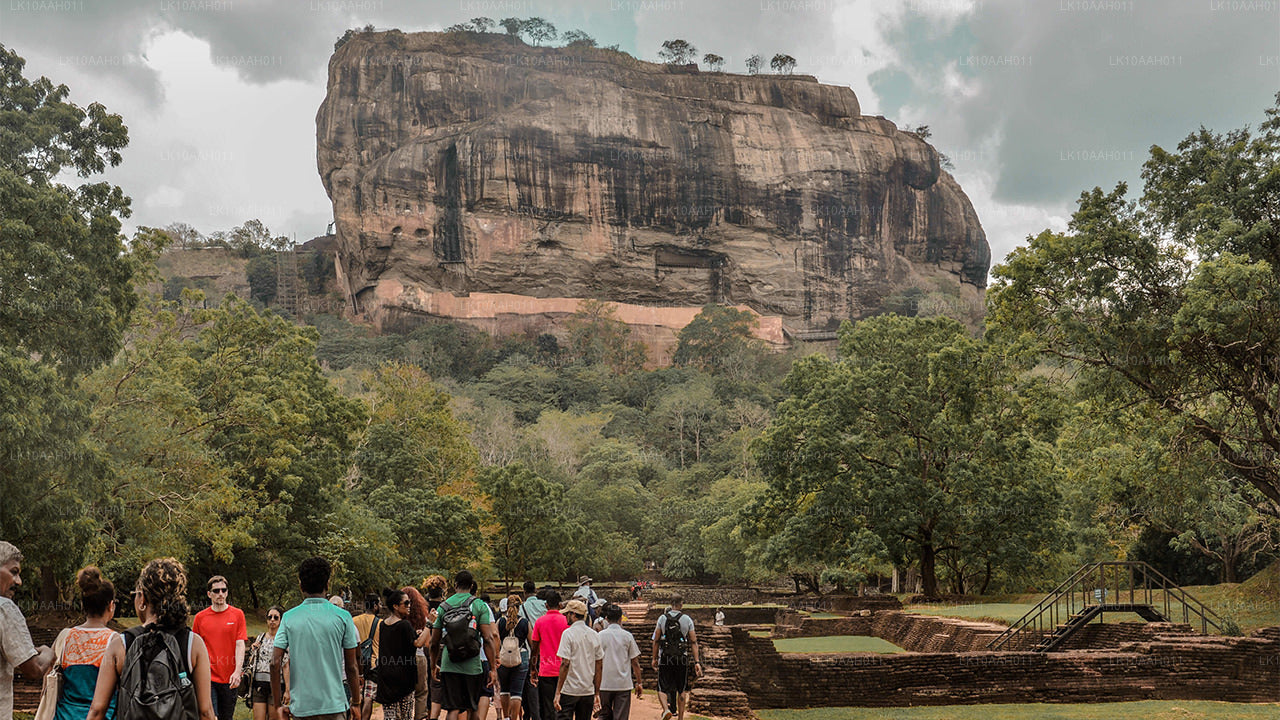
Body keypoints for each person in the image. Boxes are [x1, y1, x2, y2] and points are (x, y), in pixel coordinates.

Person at [86, 557, 217, 720]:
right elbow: (205, 711)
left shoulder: (120, 644)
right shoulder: (193, 643)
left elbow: (97, 710)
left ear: (142, 599)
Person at [271, 557, 361, 720]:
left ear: (301, 586)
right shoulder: (343, 617)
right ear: (327, 585)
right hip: (334, 705)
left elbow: (274, 663)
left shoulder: (289, 618)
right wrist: (355, 702)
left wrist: (278, 705)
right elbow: (351, 666)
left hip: (301, 708)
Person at [428, 570, 498, 720]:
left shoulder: (443, 607)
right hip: (473, 665)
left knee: (453, 709)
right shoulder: (479, 605)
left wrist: (433, 665)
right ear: (472, 585)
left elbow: (434, 642)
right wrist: (493, 668)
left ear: (455, 585)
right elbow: (488, 637)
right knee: (472, 708)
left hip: (449, 663)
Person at [53, 566, 119, 720]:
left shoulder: (65, 636)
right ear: (111, 606)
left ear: (83, 605)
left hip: (65, 716)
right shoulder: (115, 641)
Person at [1, 541, 55, 719]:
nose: (19, 581)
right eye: (13, 572)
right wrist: (48, 652)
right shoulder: (4, 609)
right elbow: (34, 669)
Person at [192, 575, 247, 720]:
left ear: (227, 592)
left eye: (224, 590)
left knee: (226, 717)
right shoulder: (200, 618)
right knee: (210, 716)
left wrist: (237, 671)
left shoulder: (238, 615)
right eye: (216, 591)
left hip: (230, 678)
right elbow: (194, 648)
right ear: (209, 594)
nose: (220, 594)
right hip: (207, 677)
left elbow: (240, 644)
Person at [650, 596, 701, 720]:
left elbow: (656, 640)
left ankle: (666, 709)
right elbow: (693, 641)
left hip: (666, 657)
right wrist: (697, 662)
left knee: (662, 687)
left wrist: (654, 658)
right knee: (681, 689)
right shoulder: (687, 619)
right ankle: (681, 717)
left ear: (671, 604)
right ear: (681, 604)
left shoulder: (662, 618)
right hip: (681, 657)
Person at [551, 600, 600, 720]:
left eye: (567, 614)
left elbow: (565, 663)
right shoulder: (593, 635)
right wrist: (597, 692)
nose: (565, 617)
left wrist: (558, 692)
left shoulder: (568, 634)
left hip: (569, 689)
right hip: (587, 689)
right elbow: (599, 665)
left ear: (573, 614)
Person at [376, 589, 418, 720]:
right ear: (395, 606)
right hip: (404, 678)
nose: (409, 606)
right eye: (406, 603)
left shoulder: (383, 624)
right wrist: (430, 624)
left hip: (386, 677)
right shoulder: (404, 625)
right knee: (406, 716)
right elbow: (417, 644)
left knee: (390, 716)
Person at [595, 604, 641, 720]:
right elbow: (635, 662)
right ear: (621, 618)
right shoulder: (627, 636)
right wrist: (639, 682)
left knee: (604, 715)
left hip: (604, 683)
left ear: (606, 619)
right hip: (623, 683)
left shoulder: (600, 636)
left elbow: (596, 662)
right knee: (621, 716)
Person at [528, 589, 567, 720]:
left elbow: (534, 648)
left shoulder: (540, 622)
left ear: (546, 605)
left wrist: (533, 668)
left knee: (547, 706)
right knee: (564, 706)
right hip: (564, 669)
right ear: (560, 605)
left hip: (546, 669)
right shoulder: (566, 621)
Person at [248, 607, 288, 720]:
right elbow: (252, 662)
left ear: (281, 620)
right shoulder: (260, 637)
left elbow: (286, 666)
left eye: (276, 617)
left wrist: (287, 690)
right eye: (269, 617)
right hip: (259, 684)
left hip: (276, 685)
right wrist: (253, 650)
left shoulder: (283, 639)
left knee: (274, 717)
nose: (272, 620)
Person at [495, 593, 529, 720]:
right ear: (519, 607)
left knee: (504, 689)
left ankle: (506, 717)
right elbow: (531, 642)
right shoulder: (524, 622)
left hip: (503, 657)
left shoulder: (501, 621)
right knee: (517, 692)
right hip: (521, 656)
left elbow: (496, 639)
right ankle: (514, 717)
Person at [516, 583, 544, 720]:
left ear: (524, 592)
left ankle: (530, 714)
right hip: (546, 652)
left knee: (530, 685)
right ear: (536, 590)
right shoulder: (545, 605)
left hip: (529, 651)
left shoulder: (522, 608)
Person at [352, 593, 382, 720]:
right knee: (369, 697)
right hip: (373, 663)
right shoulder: (380, 623)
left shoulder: (353, 621)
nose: (380, 606)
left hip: (356, 662)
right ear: (375, 605)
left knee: (357, 696)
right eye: (379, 603)